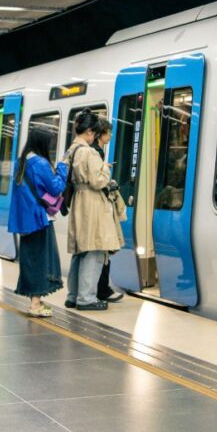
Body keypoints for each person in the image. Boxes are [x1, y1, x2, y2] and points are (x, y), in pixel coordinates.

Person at [8, 127, 69, 317]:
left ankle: (35, 300)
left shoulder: (20, 162)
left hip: (25, 220)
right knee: (41, 260)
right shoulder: (40, 163)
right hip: (39, 219)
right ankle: (35, 304)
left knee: (30, 259)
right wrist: (62, 167)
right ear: (42, 143)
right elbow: (56, 187)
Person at [64, 109, 120, 311]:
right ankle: (86, 298)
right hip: (92, 203)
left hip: (79, 200)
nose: (95, 137)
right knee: (94, 249)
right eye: (94, 133)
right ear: (89, 131)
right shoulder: (88, 152)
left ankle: (73, 295)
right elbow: (98, 180)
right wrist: (105, 168)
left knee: (80, 251)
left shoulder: (71, 150)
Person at [91, 117, 125, 303]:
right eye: (108, 133)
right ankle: (101, 290)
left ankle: (101, 288)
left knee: (102, 250)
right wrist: (105, 172)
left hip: (97, 205)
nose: (110, 136)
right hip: (99, 206)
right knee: (103, 250)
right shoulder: (95, 152)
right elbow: (97, 180)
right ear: (100, 134)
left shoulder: (97, 151)